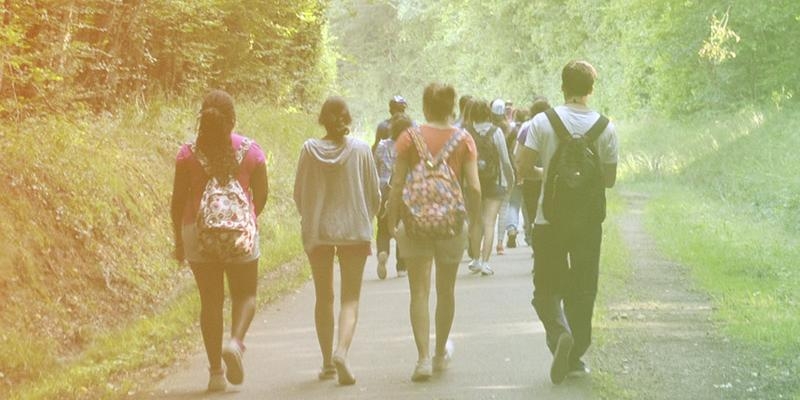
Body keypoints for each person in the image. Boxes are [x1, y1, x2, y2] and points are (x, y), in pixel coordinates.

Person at [516, 60, 618, 384]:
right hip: (588, 222)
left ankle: (559, 332)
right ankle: (575, 357)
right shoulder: (605, 127)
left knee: (545, 287)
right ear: (591, 89)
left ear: (562, 87)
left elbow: (522, 167)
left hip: (550, 219)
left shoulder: (541, 123)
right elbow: (609, 179)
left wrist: (548, 172)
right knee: (584, 287)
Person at [170, 89, 268, 392]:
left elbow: (177, 203)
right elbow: (262, 196)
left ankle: (215, 374)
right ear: (232, 118)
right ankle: (236, 343)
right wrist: (247, 219)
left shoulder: (188, 154)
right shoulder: (251, 151)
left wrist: (178, 241)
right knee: (246, 295)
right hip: (240, 232)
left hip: (198, 233)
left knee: (210, 301)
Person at [387, 82, 481, 382]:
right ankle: (440, 352)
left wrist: (391, 221)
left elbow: (397, 184)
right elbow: (475, 187)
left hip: (415, 225)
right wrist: (475, 224)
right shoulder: (464, 140)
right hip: (451, 224)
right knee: (446, 291)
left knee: (419, 292)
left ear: (425, 107)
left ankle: (423, 358)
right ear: (452, 107)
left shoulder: (408, 139)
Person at [293, 96, 381, 385]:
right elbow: (374, 195)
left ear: (322, 119)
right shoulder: (361, 150)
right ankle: (342, 351)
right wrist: (367, 217)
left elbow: (299, 193)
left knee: (324, 297)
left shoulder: (309, 151)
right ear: (348, 118)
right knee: (350, 299)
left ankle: (327, 363)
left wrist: (311, 221)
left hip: (318, 233)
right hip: (354, 231)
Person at [465, 100, 514, 276]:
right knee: (489, 222)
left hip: (472, 183)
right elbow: (505, 159)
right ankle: (486, 262)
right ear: (488, 113)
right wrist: (510, 179)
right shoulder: (496, 132)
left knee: (475, 222)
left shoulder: (466, 133)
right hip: (495, 181)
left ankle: (476, 259)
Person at [375, 112, 412, 278]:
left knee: (383, 228)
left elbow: (375, 168)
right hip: (404, 191)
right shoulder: (410, 147)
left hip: (384, 191)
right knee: (402, 226)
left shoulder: (382, 146)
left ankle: (382, 252)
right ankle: (401, 267)